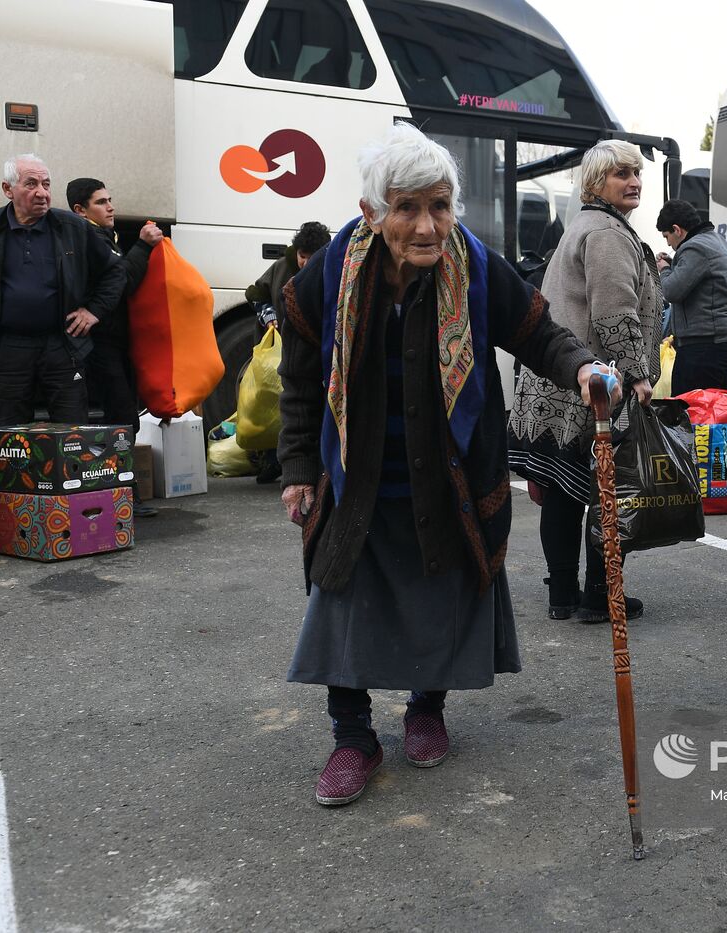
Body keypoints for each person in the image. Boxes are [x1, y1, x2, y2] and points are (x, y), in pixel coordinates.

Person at [276, 124, 610, 806]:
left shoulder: (475, 264)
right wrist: (298, 465)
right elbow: (301, 372)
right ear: (373, 212)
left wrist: (583, 368)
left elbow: (538, 333)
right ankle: (352, 735)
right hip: (357, 475)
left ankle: (428, 708)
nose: (427, 226)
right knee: (344, 604)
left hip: (450, 473)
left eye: (440, 205)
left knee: (443, 596)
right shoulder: (337, 265)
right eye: (407, 208)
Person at [508, 140, 662, 624]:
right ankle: (599, 595)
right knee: (603, 492)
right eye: (621, 174)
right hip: (593, 385)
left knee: (561, 490)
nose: (633, 181)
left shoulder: (584, 225)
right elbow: (614, 312)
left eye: (636, 173)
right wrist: (636, 373)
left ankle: (563, 595)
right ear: (595, 184)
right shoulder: (607, 233)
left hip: (558, 382)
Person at [0, 154, 125, 425]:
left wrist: (94, 310)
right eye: (32, 184)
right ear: (7, 189)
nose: (42, 193)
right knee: (12, 430)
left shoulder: (73, 227)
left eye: (46, 185)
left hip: (63, 343)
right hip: (9, 345)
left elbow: (115, 271)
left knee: (72, 429)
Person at [65, 177, 163, 517]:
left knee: (123, 416)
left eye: (110, 200)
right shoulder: (88, 238)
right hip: (99, 344)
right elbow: (122, 280)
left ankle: (122, 490)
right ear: (80, 210)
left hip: (115, 342)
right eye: (101, 202)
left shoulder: (103, 237)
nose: (111, 207)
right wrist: (144, 246)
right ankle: (122, 493)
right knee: (119, 416)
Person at [245, 220, 330, 483]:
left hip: (315, 353)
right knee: (275, 406)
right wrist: (267, 314)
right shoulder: (283, 267)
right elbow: (256, 293)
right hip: (283, 350)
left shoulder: (332, 269)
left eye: (312, 257)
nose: (306, 263)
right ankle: (273, 461)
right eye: (302, 256)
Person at [655, 198, 727, 393]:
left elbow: (671, 291)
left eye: (666, 236)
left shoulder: (695, 248)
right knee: (712, 416)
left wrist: (665, 269)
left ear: (677, 230)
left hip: (701, 349)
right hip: (719, 345)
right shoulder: (715, 241)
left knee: (689, 416)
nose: (668, 243)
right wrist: (675, 265)